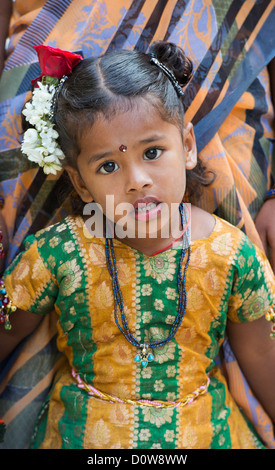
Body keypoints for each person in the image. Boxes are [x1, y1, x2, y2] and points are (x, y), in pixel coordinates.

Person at [0, 0, 275, 449]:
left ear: (187, 146)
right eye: (108, 166)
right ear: (80, 183)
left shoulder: (232, 256)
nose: (137, 181)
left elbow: (263, 353)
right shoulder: (56, 254)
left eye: (152, 152)